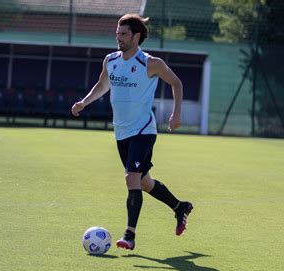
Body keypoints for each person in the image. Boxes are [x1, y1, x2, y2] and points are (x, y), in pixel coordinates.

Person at [71, 14, 193, 250]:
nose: (119, 38)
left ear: (137, 36)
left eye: (123, 34)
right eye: (117, 33)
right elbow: (103, 85)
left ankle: (129, 235)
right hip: (121, 132)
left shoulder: (150, 63)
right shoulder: (111, 60)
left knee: (131, 178)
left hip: (143, 130)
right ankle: (180, 207)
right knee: (144, 182)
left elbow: (176, 83)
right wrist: (84, 102)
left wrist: (176, 114)